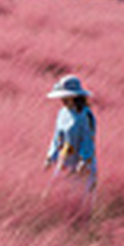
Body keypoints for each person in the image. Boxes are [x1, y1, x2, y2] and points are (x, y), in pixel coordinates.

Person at [43, 73, 98, 201]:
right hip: (65, 160)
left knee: (81, 196)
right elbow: (57, 137)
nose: (62, 99)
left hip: (81, 163)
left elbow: (88, 139)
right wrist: (51, 156)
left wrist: (84, 160)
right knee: (56, 193)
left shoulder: (85, 114)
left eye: (65, 96)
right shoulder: (62, 113)